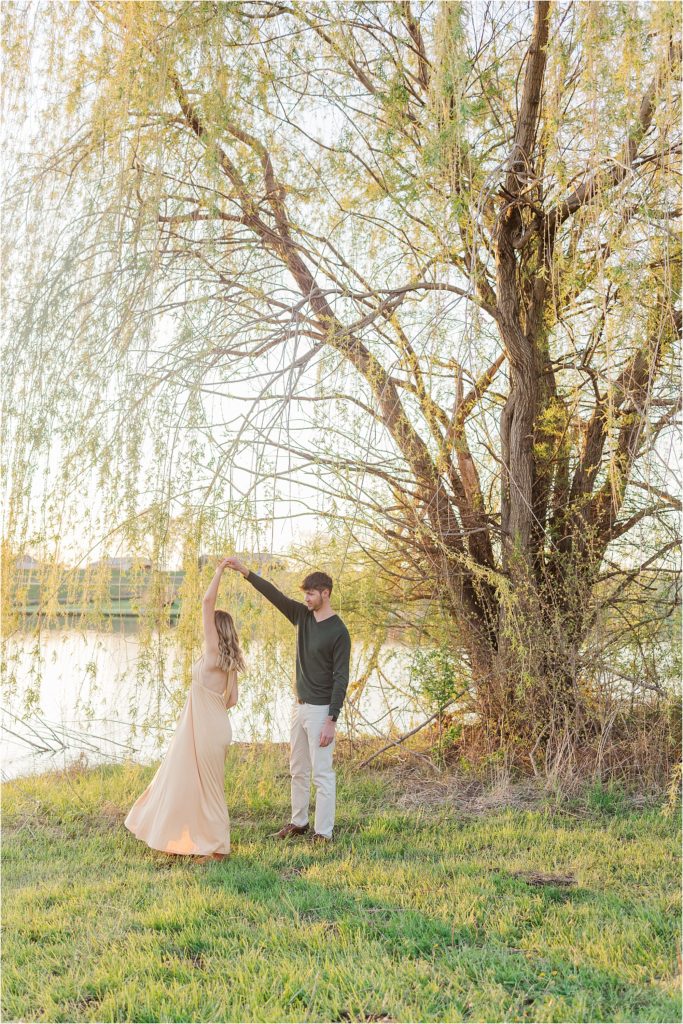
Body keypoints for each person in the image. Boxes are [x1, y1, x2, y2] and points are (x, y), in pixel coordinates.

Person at [124, 558, 245, 863]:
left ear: (216, 633)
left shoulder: (213, 655)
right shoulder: (231, 665)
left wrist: (219, 571)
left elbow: (207, 602)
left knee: (198, 789)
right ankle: (192, 840)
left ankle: (217, 847)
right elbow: (231, 701)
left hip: (204, 732)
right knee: (202, 788)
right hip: (218, 729)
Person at [225, 557, 351, 843]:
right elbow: (274, 595)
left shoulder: (339, 632)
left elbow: (341, 678)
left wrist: (332, 719)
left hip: (322, 712)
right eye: (304, 593)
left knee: (322, 774)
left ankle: (323, 833)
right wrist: (246, 572)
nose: (305, 598)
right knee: (298, 770)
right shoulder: (302, 616)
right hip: (300, 707)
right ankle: (299, 822)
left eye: (310, 593)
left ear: (325, 593)